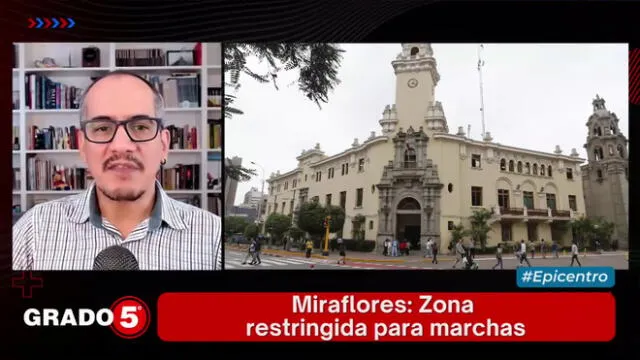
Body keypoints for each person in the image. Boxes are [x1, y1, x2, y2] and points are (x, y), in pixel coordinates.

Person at [12, 71, 221, 271]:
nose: (121, 146)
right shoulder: (34, 230)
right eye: (102, 128)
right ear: (83, 146)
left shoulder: (214, 238)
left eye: (140, 127)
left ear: (164, 145)